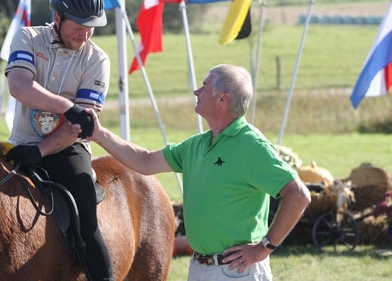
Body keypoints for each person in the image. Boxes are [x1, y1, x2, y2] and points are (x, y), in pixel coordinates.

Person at [86, 64, 311, 281]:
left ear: (223, 99)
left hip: (238, 271)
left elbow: (299, 195)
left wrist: (265, 247)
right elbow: (145, 161)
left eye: (204, 86)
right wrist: (98, 133)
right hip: (200, 268)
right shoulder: (197, 144)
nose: (197, 91)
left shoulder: (252, 146)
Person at [3, 0, 113, 281]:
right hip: (19, 144)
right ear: (57, 17)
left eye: (92, 26)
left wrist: (39, 151)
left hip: (68, 148)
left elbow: (81, 125)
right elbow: (19, 86)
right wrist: (67, 107)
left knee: (88, 226)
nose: (86, 33)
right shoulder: (27, 38)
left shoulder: (98, 60)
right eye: (79, 25)